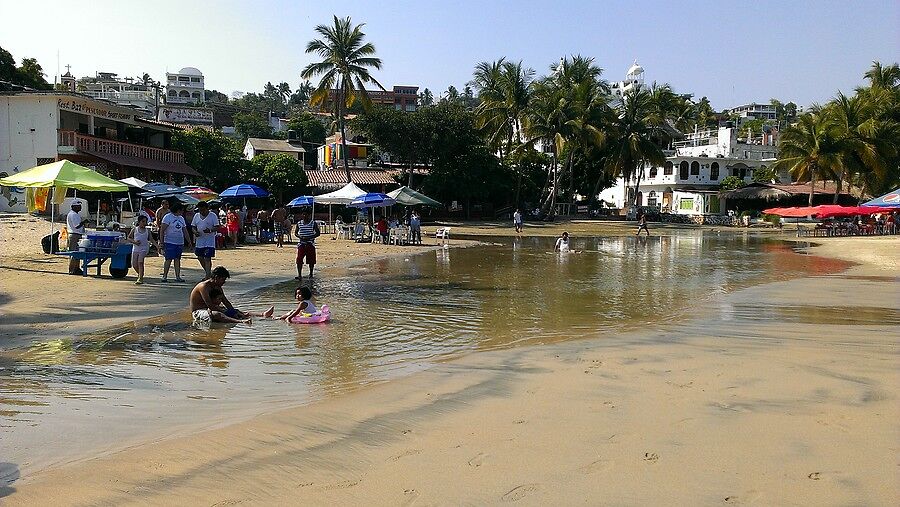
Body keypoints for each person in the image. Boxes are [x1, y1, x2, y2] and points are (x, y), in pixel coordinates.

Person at [189, 266, 273, 325]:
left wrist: (233, 311)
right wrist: (227, 312)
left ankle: (262, 314)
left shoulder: (218, 287)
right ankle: (240, 322)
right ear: (216, 277)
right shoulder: (204, 286)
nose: (224, 282)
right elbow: (210, 305)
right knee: (218, 315)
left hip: (212, 308)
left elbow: (225, 301)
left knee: (237, 311)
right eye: (223, 279)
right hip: (199, 311)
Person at [160, 202, 192, 282]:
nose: (182, 212)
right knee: (168, 259)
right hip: (169, 241)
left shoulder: (181, 218)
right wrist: (161, 242)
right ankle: (164, 276)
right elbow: (162, 230)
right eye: (181, 210)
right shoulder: (167, 217)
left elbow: (185, 230)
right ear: (178, 210)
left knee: (177, 259)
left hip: (179, 242)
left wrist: (189, 241)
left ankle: (177, 276)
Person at [191, 201, 220, 280]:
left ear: (207, 208)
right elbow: (193, 226)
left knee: (207, 258)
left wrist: (210, 230)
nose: (202, 212)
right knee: (200, 257)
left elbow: (217, 227)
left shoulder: (212, 216)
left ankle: (207, 276)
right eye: (200, 210)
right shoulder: (196, 216)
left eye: (203, 210)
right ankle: (208, 272)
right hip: (200, 241)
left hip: (209, 241)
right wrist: (195, 232)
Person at [126, 214, 157, 284]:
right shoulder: (134, 229)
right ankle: (140, 274)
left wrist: (157, 246)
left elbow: (151, 239)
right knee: (134, 264)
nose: (144, 223)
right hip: (136, 248)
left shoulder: (147, 231)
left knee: (140, 262)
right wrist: (134, 242)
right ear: (139, 222)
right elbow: (128, 238)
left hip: (144, 248)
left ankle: (140, 278)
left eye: (145, 222)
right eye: (143, 221)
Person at [295, 211, 321, 280]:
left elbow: (318, 233)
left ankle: (311, 273)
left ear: (309, 215)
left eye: (306, 214)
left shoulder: (313, 223)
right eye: (303, 214)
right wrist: (300, 237)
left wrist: (310, 237)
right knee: (299, 259)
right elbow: (296, 233)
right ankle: (299, 274)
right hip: (302, 243)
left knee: (311, 260)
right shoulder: (299, 223)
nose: (304, 216)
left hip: (310, 243)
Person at [66, 201, 86, 275]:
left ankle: (76, 268)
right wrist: (84, 222)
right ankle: (72, 269)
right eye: (78, 206)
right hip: (74, 235)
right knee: (74, 253)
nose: (80, 208)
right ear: (74, 207)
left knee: (77, 253)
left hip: (77, 234)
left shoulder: (75, 214)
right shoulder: (73, 214)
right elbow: (77, 225)